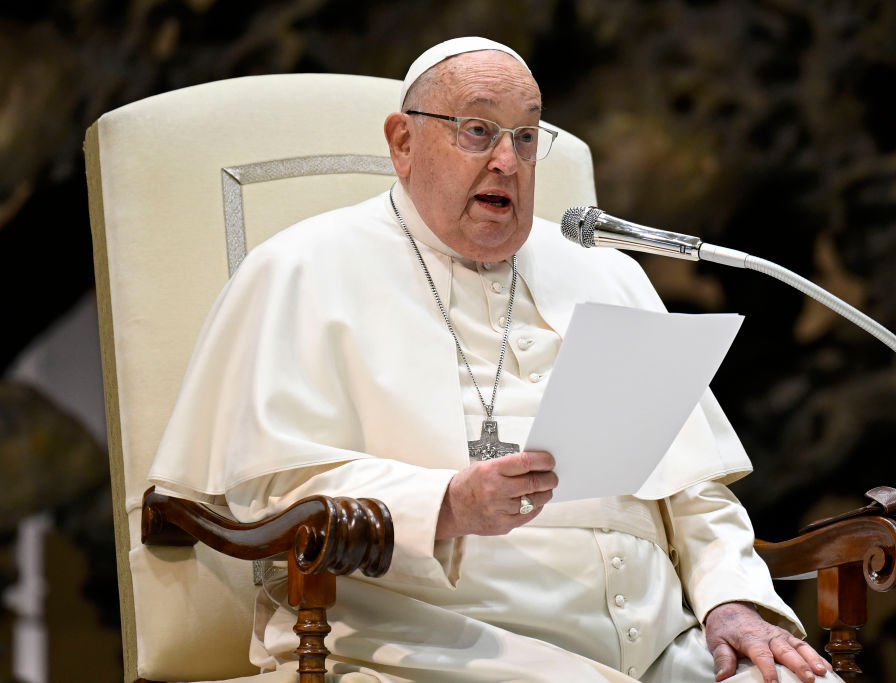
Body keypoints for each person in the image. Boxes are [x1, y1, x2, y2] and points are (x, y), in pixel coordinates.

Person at [150, 37, 839, 683]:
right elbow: (276, 490)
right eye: (477, 130)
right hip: (444, 645)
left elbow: (695, 490)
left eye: (527, 137)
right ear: (403, 142)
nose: (507, 161)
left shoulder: (606, 273)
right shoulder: (303, 269)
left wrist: (733, 600)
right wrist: (447, 503)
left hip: (664, 643)